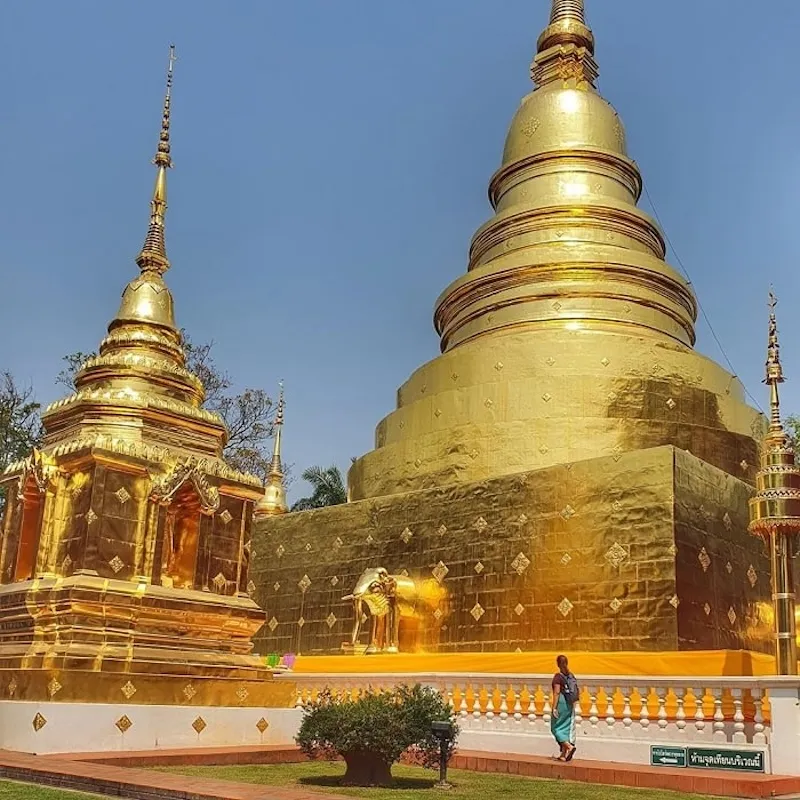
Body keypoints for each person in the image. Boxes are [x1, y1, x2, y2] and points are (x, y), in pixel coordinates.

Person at [550, 654, 578, 761]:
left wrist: (554, 708)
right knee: (565, 728)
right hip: (569, 703)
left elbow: (557, 693)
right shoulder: (570, 675)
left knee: (555, 728)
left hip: (561, 702)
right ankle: (563, 755)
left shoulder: (558, 677)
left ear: (557, 664)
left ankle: (569, 747)